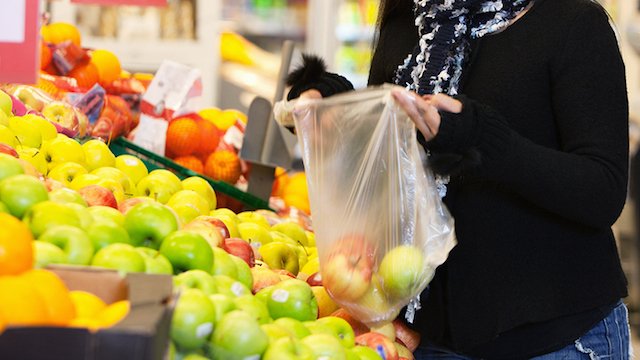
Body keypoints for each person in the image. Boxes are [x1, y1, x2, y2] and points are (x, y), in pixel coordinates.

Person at [281, 0, 632, 358]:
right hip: (428, 339)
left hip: (556, 341)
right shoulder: (409, 23)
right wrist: (332, 106)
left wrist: (481, 137)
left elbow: (602, 190)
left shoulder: (573, 22)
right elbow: (392, 157)